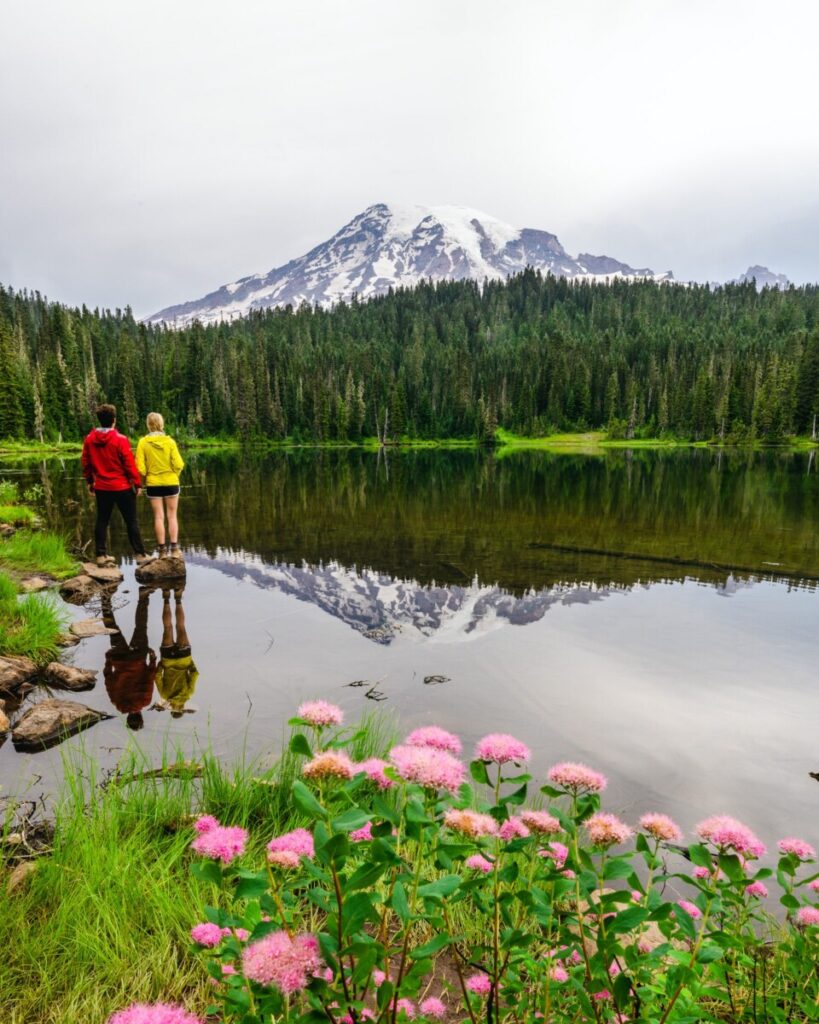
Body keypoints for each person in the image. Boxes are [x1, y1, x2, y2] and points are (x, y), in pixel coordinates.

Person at [81, 403, 152, 568]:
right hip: (122, 488)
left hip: (102, 487)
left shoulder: (90, 439)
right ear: (114, 420)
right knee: (131, 521)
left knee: (102, 520)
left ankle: (100, 555)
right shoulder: (120, 439)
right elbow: (129, 464)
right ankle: (140, 555)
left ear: (99, 420)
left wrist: (90, 482)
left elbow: (86, 463)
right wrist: (137, 483)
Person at [101, 587, 157, 731]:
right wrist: (108, 660)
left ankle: (143, 595)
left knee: (141, 626)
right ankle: (105, 599)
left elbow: (149, 678)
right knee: (112, 629)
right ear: (127, 718)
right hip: (119, 659)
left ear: (141, 717)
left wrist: (153, 660)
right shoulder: (117, 703)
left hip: (137, 657)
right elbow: (109, 681)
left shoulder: (145, 701)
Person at [135, 412, 185, 559]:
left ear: (148, 425)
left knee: (158, 517)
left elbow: (140, 468)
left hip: (153, 484)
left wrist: (149, 474)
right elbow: (179, 464)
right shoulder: (170, 442)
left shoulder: (143, 443)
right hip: (171, 482)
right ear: (161, 424)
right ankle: (174, 550)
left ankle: (162, 551)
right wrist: (173, 475)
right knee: (172, 516)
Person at [156, 584, 198, 717]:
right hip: (167, 659)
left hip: (184, 658)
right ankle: (166, 595)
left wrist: (189, 661)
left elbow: (195, 674)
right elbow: (157, 676)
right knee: (167, 627)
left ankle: (178, 597)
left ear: (183, 707)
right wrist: (161, 664)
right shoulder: (164, 695)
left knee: (181, 626)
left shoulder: (189, 694)